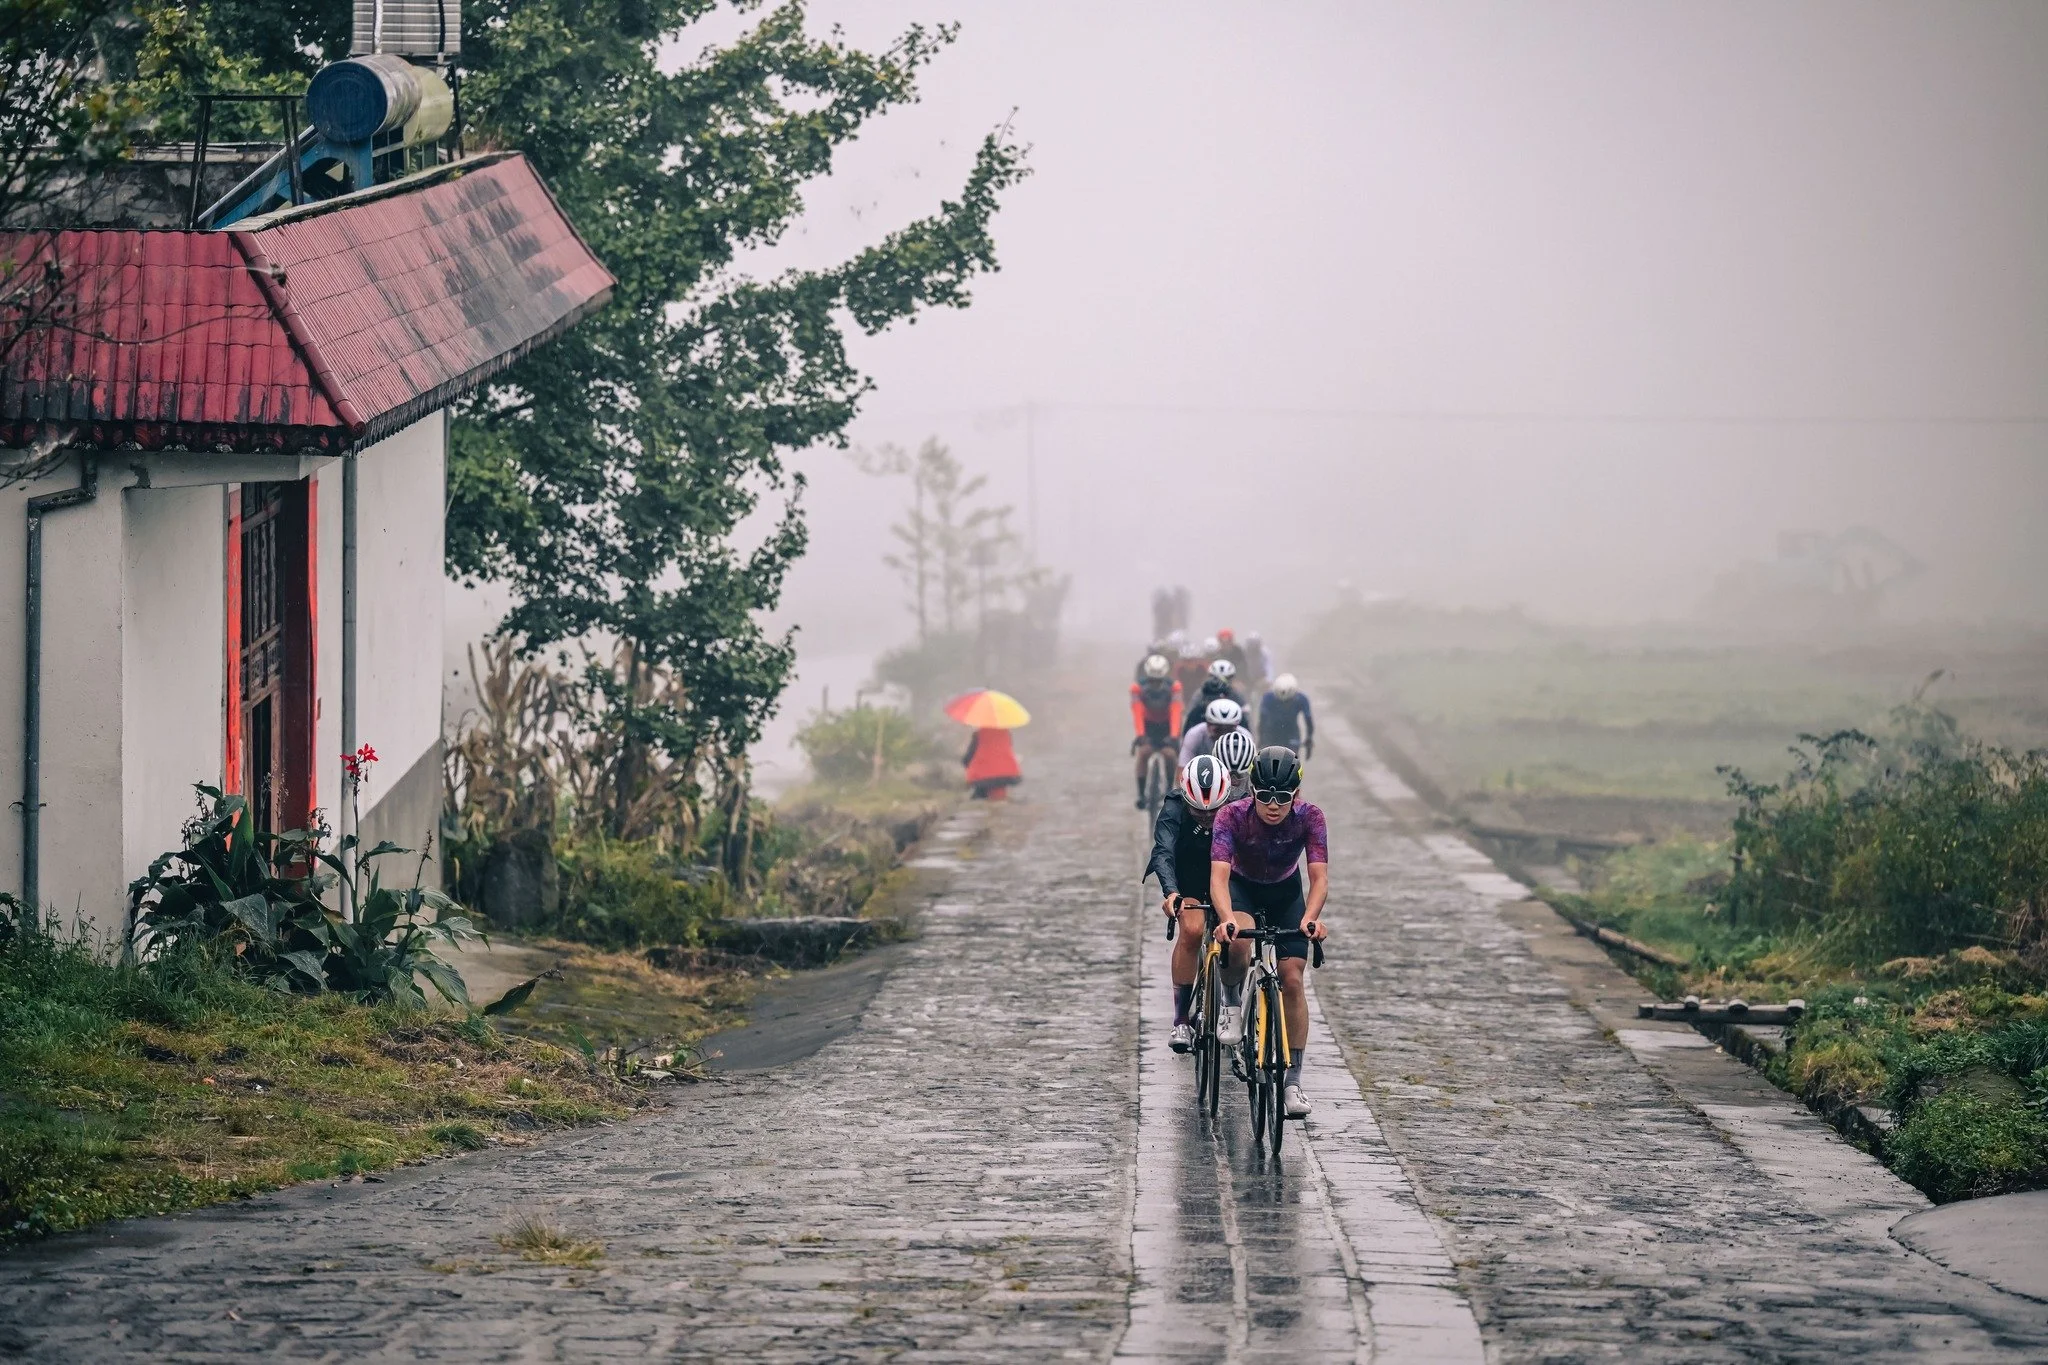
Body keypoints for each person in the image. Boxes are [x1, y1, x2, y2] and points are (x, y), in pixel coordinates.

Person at [1211, 746, 1328, 1120]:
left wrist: (1311, 917)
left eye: (1282, 797)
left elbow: (1319, 878)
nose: (1273, 806)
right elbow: (1218, 877)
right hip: (1242, 888)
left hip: (1285, 892)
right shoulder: (1232, 815)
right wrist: (1226, 917)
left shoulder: (1310, 817)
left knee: (1293, 980)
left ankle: (1292, 1083)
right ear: (1252, 792)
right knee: (1240, 940)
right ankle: (1231, 1003)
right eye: (1264, 796)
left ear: (1296, 794)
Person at [1145, 753, 1235, 1052]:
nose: (1208, 818)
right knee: (1193, 931)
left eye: (1214, 812)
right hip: (1190, 877)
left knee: (1238, 935)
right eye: (1199, 812)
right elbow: (1163, 852)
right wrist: (1171, 892)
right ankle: (1181, 1019)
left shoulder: (1240, 804)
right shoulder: (1173, 807)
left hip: (1229, 876)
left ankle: (1234, 1005)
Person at [1129, 653, 1184, 807]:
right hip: (1149, 726)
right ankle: (1141, 794)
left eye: (1158, 681)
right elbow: (1137, 712)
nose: (1155, 684)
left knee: (1170, 755)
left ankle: (1168, 790)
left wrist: (1173, 736)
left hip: (1167, 726)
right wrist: (1141, 735)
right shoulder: (1137, 688)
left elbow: (1176, 711)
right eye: (1152, 681)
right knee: (1144, 753)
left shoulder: (1175, 687)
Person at [1257, 672, 1315, 760]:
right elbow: (1308, 720)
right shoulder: (1268, 698)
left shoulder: (1268, 698)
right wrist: (1309, 739)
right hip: (1276, 735)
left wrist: (1261, 738)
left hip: (1287, 735)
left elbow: (1262, 720)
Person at [1178, 696, 1245, 768]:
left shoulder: (1245, 736)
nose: (1223, 734)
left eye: (1228, 730)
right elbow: (1182, 769)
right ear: (1207, 725)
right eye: (1218, 729)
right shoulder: (1194, 735)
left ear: (1236, 727)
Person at [1184, 657, 1246, 734]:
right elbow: (1190, 716)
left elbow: (1245, 718)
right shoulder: (1200, 694)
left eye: (1226, 678)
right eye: (1215, 678)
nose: (1220, 682)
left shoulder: (1236, 695)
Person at [961, 725, 1020, 799]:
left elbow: (968, 757)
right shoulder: (1006, 733)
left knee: (978, 798)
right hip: (1007, 774)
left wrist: (967, 766)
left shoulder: (979, 734)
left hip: (985, 777)